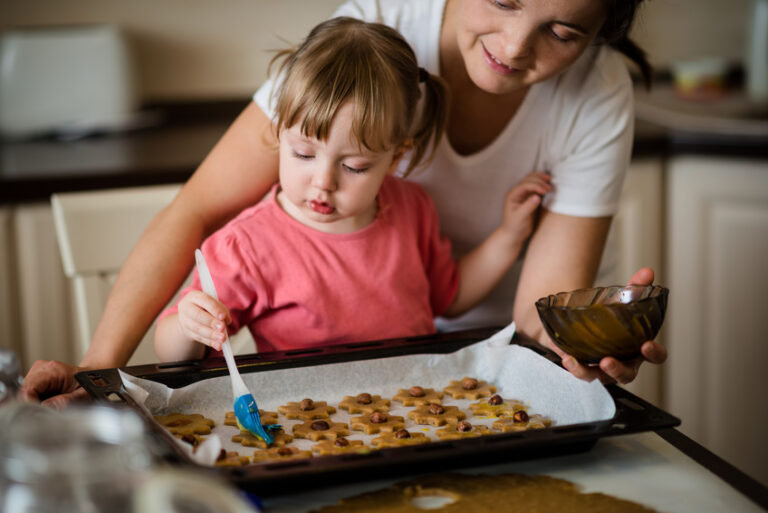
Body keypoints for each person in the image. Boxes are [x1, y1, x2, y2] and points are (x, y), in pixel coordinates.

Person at [23, 0, 667, 407]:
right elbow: (194, 217)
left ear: (400, 154)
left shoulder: (413, 207)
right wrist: (99, 373)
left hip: (458, 373)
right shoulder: (360, 43)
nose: (517, 45)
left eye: (560, 32)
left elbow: (521, 317)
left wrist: (580, 349)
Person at [154, 17, 551, 360]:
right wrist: (190, 324)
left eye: (354, 166)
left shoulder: (413, 208)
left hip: (417, 405)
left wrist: (509, 237)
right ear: (280, 135)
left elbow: (450, 296)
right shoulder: (246, 245)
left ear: (395, 159)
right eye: (304, 155)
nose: (323, 182)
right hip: (310, 422)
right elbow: (170, 350)